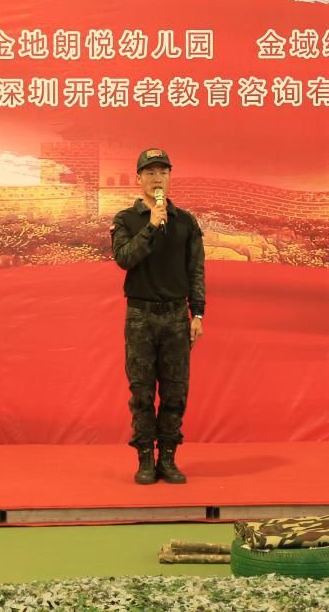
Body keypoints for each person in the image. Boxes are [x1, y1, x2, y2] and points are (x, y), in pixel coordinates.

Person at [110, 148, 205, 485]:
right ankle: (145, 459)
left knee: (176, 391)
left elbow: (196, 271)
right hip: (140, 316)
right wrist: (150, 226)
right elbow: (124, 258)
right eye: (150, 172)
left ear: (170, 177)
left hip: (177, 317)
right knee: (142, 392)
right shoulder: (126, 219)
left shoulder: (186, 222)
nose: (157, 178)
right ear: (139, 179)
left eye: (162, 172)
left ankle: (168, 457)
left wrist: (198, 314)